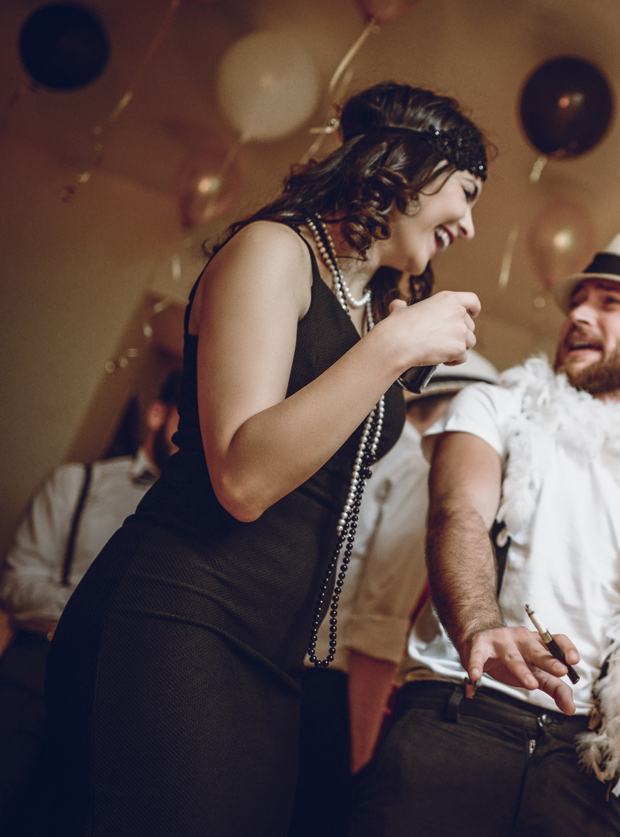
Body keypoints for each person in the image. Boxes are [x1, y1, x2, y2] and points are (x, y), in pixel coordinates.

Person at [42, 81, 488, 837]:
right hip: (179, 616)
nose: (472, 225)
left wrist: (384, 341)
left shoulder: (370, 308)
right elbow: (244, 479)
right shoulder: (274, 250)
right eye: (467, 192)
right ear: (409, 164)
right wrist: (393, 350)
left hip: (275, 655)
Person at [351, 232, 620, 837]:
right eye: (579, 301)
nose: (578, 313)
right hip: (460, 714)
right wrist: (480, 628)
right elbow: (458, 515)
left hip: (589, 764)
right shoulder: (495, 407)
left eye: (609, 303)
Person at [290, 351, 500, 837]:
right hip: (337, 684)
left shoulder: (368, 451)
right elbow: (381, 616)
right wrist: (360, 755)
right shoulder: (419, 467)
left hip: (300, 659)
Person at [0, 371, 180, 827]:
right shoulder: (75, 484)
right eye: (189, 419)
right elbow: (19, 584)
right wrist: (88, 616)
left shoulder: (202, 521)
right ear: (158, 414)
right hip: (40, 668)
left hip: (128, 703)